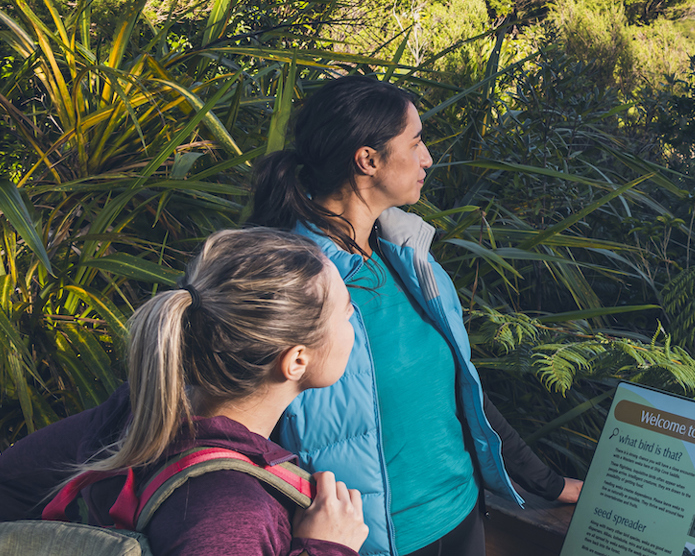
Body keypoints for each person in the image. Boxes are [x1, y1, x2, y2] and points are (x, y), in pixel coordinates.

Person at [247, 74, 582, 556]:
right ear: (368, 159)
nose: (427, 157)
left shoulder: (407, 256)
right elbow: (239, 418)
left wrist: (549, 484)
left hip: (463, 515)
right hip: (368, 541)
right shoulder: (288, 279)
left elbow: (460, 391)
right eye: (416, 141)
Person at [0, 228, 368, 555]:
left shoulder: (139, 411)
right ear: (296, 360)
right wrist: (327, 547)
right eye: (346, 310)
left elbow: (7, 482)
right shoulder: (231, 515)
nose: (353, 319)